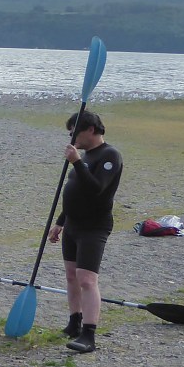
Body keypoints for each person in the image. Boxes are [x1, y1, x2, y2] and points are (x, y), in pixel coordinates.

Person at [48, 111, 123, 354]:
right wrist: (60, 220)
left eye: (75, 131)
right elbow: (75, 191)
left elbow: (96, 189)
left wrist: (76, 162)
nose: (72, 137)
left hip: (94, 225)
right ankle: (74, 321)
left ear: (90, 130)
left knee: (87, 279)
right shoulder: (86, 156)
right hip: (73, 224)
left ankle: (89, 334)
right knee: (71, 275)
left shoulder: (109, 155)